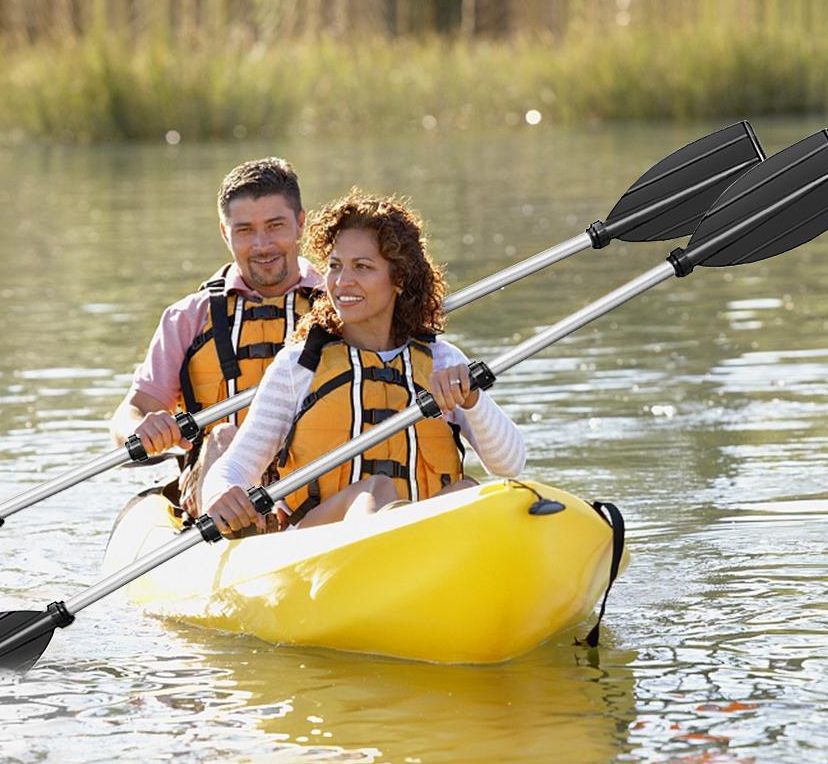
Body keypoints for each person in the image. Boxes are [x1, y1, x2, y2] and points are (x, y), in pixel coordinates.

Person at [200, 189, 525, 537]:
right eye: (335, 266)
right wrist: (221, 493)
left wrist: (472, 401)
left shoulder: (442, 360)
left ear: (398, 279)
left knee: (468, 489)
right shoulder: (299, 365)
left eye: (363, 267)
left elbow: (511, 465)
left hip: (428, 547)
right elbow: (234, 468)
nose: (342, 282)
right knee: (376, 489)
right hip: (320, 547)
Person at [109, 158, 324, 516]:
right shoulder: (187, 318)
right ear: (225, 233)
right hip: (217, 486)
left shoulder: (340, 305)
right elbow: (128, 416)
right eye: (244, 230)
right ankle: (236, 533)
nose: (262, 244)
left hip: (316, 477)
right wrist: (141, 427)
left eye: (275, 226)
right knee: (224, 436)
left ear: (301, 223)